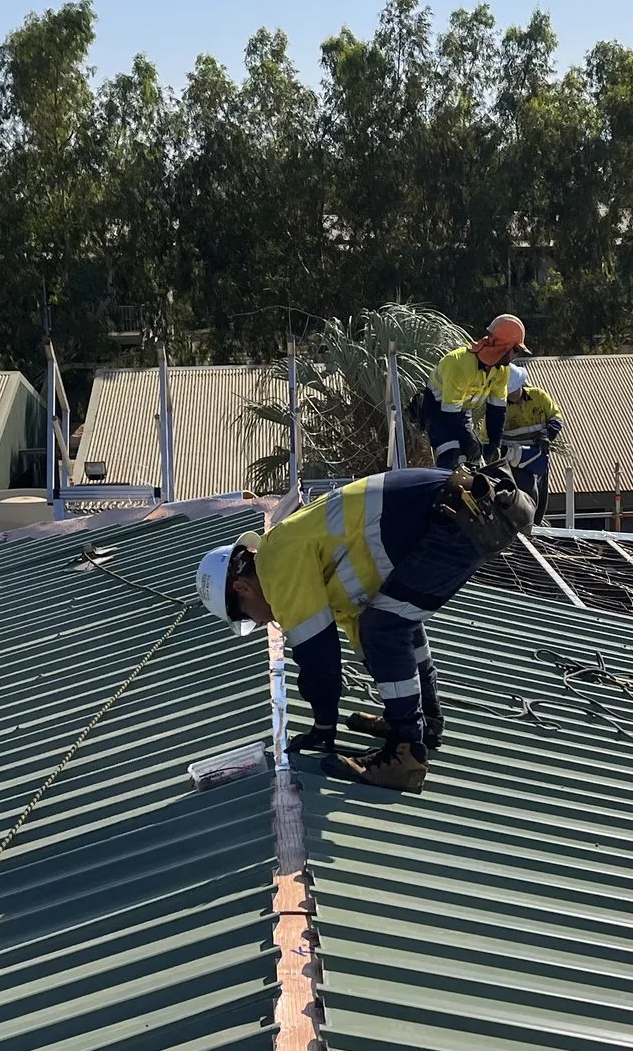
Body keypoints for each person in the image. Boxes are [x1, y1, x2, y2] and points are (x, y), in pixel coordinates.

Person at [196, 465, 533, 792]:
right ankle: (426, 721)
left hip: (454, 517)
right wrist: (399, 703)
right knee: (392, 621)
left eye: (246, 617)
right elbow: (362, 637)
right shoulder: (311, 562)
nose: (260, 622)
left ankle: (406, 754)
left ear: (242, 589)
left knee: (385, 628)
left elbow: (318, 654)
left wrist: (324, 726)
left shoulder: (274, 562)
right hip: (464, 513)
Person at [416, 313, 525, 471]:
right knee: (451, 453)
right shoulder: (459, 364)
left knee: (474, 461)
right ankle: (441, 491)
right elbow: (450, 413)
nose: (516, 356)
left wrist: (494, 444)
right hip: (438, 410)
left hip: (461, 412)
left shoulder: (502, 371)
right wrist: (468, 440)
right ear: (504, 347)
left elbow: (497, 411)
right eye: (516, 350)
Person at [500, 363, 563, 521]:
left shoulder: (539, 397)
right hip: (513, 458)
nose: (512, 396)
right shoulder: (500, 406)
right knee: (528, 490)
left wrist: (547, 434)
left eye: (513, 390)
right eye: (509, 392)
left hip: (538, 454)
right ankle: (526, 524)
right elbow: (488, 436)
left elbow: (556, 417)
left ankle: (536, 524)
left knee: (541, 496)